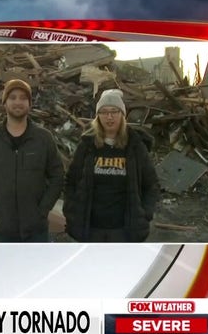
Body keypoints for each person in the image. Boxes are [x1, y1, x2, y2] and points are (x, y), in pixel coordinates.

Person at [0, 79, 64, 242]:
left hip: (36, 231)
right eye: (12, 97)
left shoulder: (42, 138)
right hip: (1, 230)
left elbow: (58, 176)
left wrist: (42, 211)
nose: (18, 102)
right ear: (4, 102)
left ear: (29, 103)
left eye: (23, 98)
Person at [63, 89, 160, 242]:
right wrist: (71, 210)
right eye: (104, 112)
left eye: (114, 111)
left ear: (122, 115)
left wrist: (145, 213)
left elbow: (151, 184)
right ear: (98, 116)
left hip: (124, 230)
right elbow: (71, 180)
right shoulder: (87, 145)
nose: (109, 117)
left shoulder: (135, 146)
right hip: (91, 229)